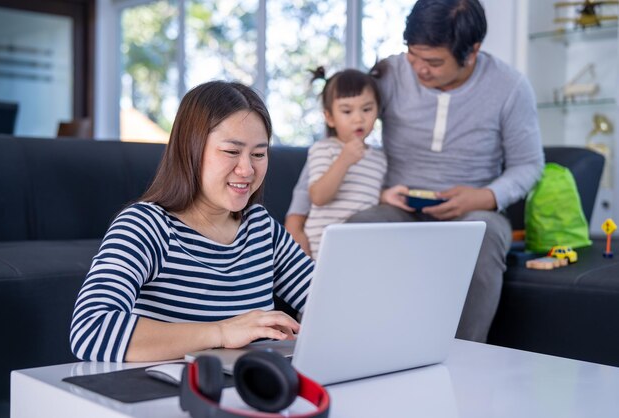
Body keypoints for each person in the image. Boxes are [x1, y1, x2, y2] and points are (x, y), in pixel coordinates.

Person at [285, 0, 545, 343]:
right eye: (413, 55)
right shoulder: (391, 74)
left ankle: (464, 357)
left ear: (472, 51)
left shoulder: (509, 87)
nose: (420, 69)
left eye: (434, 62)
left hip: (470, 211)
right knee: (354, 232)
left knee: (484, 241)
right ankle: (336, 344)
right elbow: (331, 147)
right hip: (397, 206)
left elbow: (529, 164)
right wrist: (294, 223)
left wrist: (483, 197)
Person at [70, 81, 313, 362]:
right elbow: (90, 330)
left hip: (252, 392)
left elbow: (326, 300)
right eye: (231, 152)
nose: (247, 169)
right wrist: (221, 333)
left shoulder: (261, 229)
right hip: (167, 395)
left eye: (259, 154)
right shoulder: (145, 226)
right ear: (191, 150)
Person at [304, 67, 387, 259]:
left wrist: (386, 196)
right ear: (330, 117)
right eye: (347, 111)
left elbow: (366, 197)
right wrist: (344, 160)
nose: (358, 118)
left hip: (362, 246)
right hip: (323, 248)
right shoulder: (324, 149)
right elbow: (318, 197)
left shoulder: (379, 158)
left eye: (367, 109)